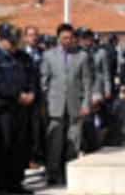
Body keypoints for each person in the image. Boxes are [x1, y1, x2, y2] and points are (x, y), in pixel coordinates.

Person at [0, 24, 36, 195]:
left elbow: (32, 77)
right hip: (2, 111)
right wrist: (17, 95)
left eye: (15, 42)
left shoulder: (23, 57)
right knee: (1, 148)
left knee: (19, 148)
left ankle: (14, 182)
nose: (14, 45)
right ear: (0, 39)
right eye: (10, 42)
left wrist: (31, 93)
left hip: (21, 109)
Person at [41, 23, 93, 186]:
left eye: (70, 38)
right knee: (54, 142)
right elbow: (44, 81)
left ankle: (69, 172)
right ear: (58, 38)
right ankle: (53, 172)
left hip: (75, 105)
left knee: (74, 140)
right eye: (64, 37)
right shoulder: (49, 56)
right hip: (55, 105)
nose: (67, 40)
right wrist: (44, 103)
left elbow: (87, 81)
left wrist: (86, 103)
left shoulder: (82, 56)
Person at [22, 26, 45, 169]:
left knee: (37, 129)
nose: (33, 38)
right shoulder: (20, 54)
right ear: (25, 38)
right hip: (22, 98)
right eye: (30, 35)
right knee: (23, 130)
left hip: (38, 97)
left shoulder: (43, 54)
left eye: (36, 35)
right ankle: (25, 157)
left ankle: (35, 156)